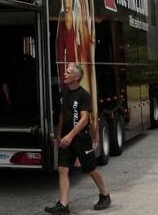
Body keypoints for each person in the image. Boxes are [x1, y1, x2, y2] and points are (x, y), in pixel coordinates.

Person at [45, 63, 111, 213]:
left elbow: (84, 119)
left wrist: (70, 136)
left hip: (80, 138)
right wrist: (59, 134)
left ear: (76, 77)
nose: (65, 74)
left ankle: (105, 195)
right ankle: (63, 205)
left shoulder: (84, 95)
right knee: (62, 169)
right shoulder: (64, 93)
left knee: (90, 169)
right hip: (66, 138)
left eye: (68, 72)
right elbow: (63, 114)